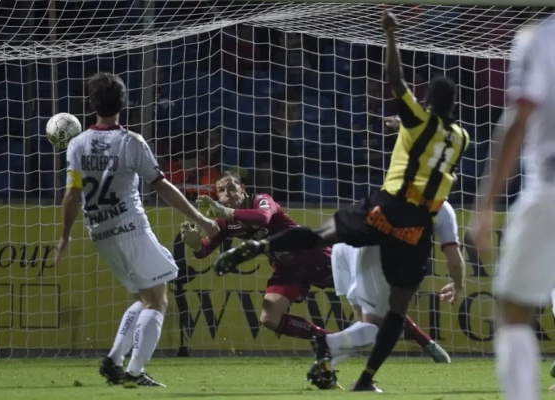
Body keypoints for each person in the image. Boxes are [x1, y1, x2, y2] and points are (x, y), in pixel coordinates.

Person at [213, 10, 469, 392]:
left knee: (318, 235)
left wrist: (390, 35)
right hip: (414, 228)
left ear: (427, 101)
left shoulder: (418, 117)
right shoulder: (461, 137)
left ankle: (259, 245)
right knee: (393, 314)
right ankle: (362, 378)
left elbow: (396, 79)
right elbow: (435, 152)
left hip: (382, 209)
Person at [54, 72, 218, 387]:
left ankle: (114, 360)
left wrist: (65, 235)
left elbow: (72, 194)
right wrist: (200, 218)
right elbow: (162, 186)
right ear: (124, 103)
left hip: (99, 233)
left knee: (144, 297)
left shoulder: (76, 144)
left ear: (91, 104)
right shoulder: (131, 142)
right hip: (130, 228)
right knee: (158, 300)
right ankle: (135, 372)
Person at [180, 171, 378, 348]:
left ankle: (392, 333)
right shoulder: (225, 222)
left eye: (231, 187)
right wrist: (196, 244)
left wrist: (227, 212)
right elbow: (204, 251)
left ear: (242, 188)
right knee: (269, 318)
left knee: (367, 301)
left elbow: (263, 217)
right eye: (221, 191)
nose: (227, 194)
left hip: (312, 256)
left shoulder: (261, 200)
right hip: (286, 269)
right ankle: (330, 340)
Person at [471, 18, 555, 400]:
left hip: (548, 188)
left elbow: (517, 121)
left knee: (513, 312)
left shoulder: (539, 37)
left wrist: (486, 205)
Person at [307, 201, 463, 389]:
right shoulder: (441, 206)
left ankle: (325, 367)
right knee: (379, 326)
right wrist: (458, 285)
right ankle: (328, 342)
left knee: (363, 323)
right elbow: (454, 260)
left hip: (345, 241)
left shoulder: (396, 190)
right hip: (372, 245)